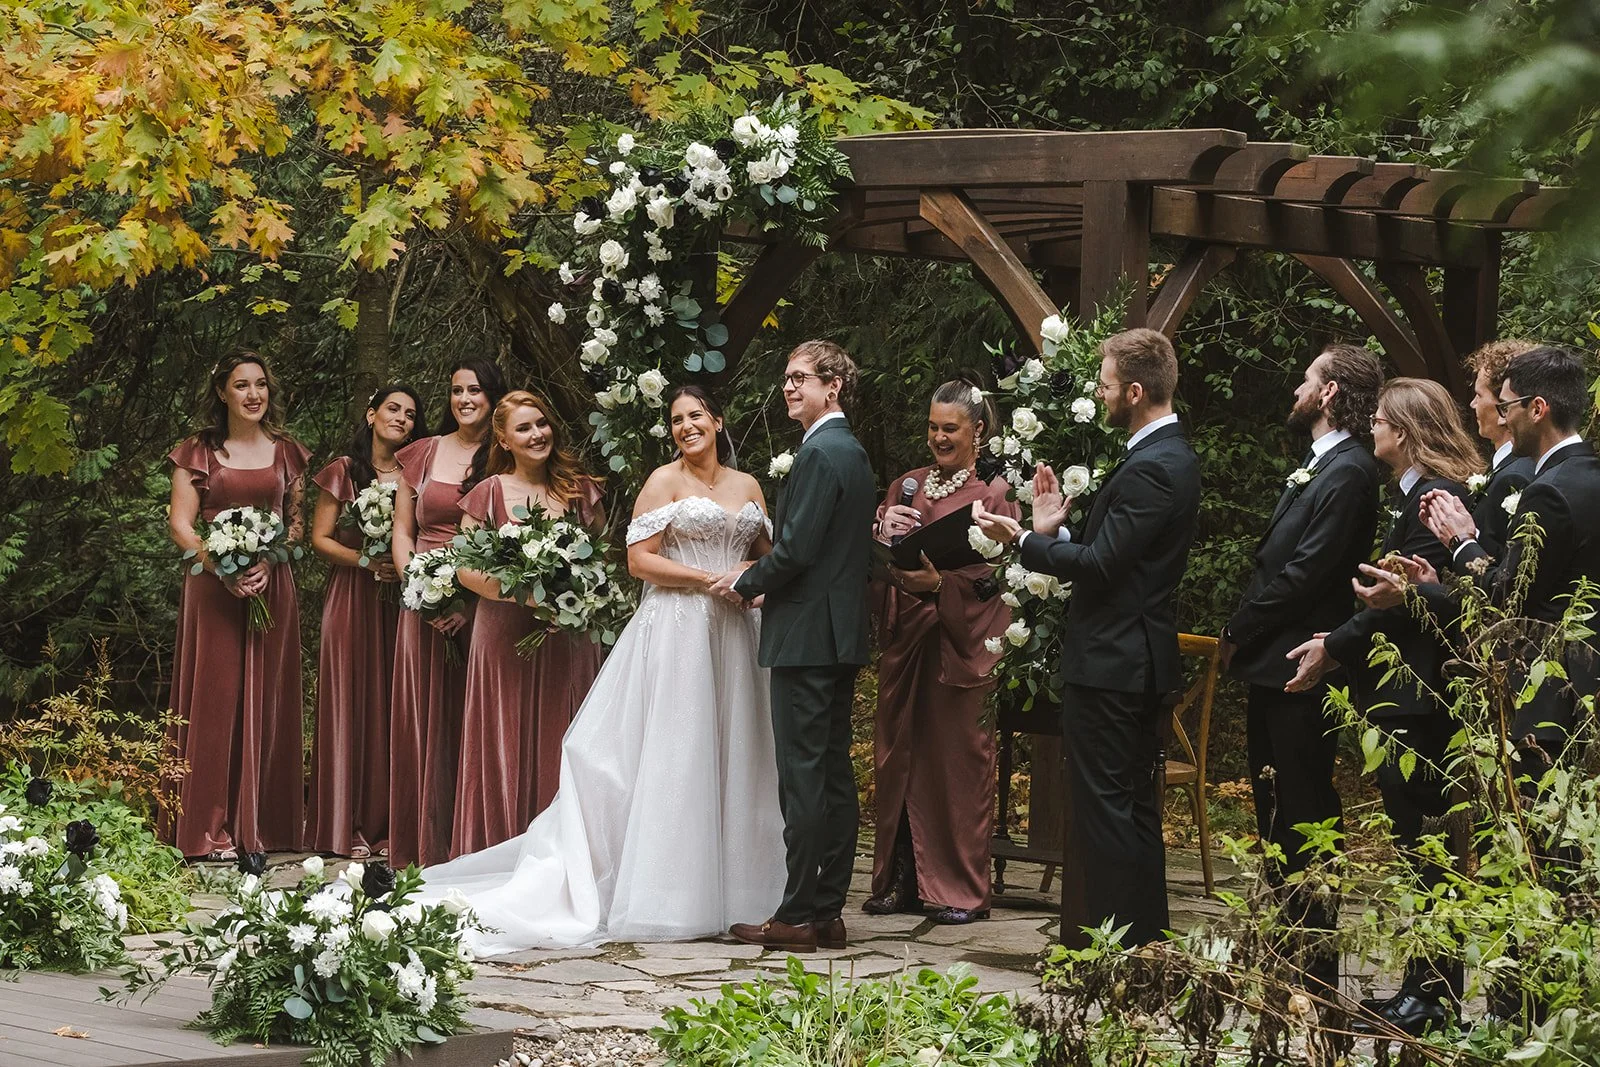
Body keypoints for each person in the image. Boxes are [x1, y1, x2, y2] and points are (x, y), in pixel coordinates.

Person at [421, 385, 786, 951]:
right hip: (681, 629)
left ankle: (739, 888)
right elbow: (639, 561)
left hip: (735, 635)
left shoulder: (749, 486)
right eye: (676, 420)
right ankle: (670, 893)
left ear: (717, 421)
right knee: (679, 750)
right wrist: (709, 579)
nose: (686, 427)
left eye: (695, 416)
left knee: (738, 750)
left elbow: (767, 558)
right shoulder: (662, 481)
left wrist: (753, 586)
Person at [973, 327, 1201, 950]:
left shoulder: (1153, 467)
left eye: (1105, 385)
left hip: (1114, 665)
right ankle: (1144, 949)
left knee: (1107, 814)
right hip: (1131, 661)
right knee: (1133, 811)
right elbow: (1116, 557)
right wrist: (1055, 533)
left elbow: (1102, 568)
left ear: (1135, 391)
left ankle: (1113, 953)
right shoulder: (1166, 456)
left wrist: (1024, 540)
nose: (1100, 395)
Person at [1285, 376, 1478, 1035]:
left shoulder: (1434, 498)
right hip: (1407, 697)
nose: (1371, 429)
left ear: (1405, 430)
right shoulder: (1416, 495)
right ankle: (1423, 989)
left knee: (1426, 847)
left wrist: (1333, 645)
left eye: (1381, 422)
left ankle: (1430, 995)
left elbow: (1397, 607)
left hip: (1420, 701)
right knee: (1416, 843)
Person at [1220, 343, 1383, 993]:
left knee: (1304, 806)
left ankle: (1313, 964)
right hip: (1276, 662)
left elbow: (1305, 572)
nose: (1296, 388)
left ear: (1330, 392)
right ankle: (1287, 950)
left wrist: (1239, 628)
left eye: (1307, 379)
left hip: (1303, 663)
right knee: (1274, 806)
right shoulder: (1323, 464)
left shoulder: (1350, 472)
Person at [712, 340, 877, 954]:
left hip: (807, 639)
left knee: (803, 778)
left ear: (833, 386)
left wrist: (745, 581)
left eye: (801, 377)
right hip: (838, 635)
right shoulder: (852, 451)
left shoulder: (820, 453)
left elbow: (798, 549)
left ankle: (798, 914)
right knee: (832, 775)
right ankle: (828, 911)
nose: (788, 385)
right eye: (786, 376)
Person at [866, 377, 1018, 925]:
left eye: (950, 428)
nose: (939, 438)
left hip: (960, 643)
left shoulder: (995, 494)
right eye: (932, 427)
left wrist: (940, 586)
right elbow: (881, 566)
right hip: (908, 643)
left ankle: (961, 889)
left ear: (978, 430)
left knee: (956, 766)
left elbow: (1002, 580)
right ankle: (901, 881)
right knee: (899, 760)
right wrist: (882, 533)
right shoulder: (905, 485)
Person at [1413, 345, 1600, 756]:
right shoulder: (1590, 474)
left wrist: (1461, 541)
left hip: (1549, 704)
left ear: (1537, 409)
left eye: (1507, 406)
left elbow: (1508, 596)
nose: (1503, 417)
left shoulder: (1549, 492)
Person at [166, 351, 311, 860]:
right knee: (215, 699)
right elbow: (180, 525)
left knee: (269, 699)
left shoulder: (288, 452)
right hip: (214, 590)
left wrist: (268, 561)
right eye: (242, 385)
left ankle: (263, 825)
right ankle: (207, 829)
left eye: (261, 384)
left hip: (272, 585)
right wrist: (220, 566)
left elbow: (296, 525)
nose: (254, 394)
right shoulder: (197, 451)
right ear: (222, 393)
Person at [450, 391, 605, 856]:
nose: (537, 434)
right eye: (524, 428)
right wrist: (526, 593)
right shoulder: (489, 492)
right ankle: (501, 848)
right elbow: (464, 568)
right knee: (506, 737)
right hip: (504, 633)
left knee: (566, 733)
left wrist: (574, 596)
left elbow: (598, 557)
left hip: (567, 633)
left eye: (541, 423)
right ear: (504, 439)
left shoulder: (579, 490)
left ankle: (567, 853)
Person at [389, 358, 506, 868]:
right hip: (422, 603)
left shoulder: (504, 453)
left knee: (473, 716)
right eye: (457, 390)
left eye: (475, 390)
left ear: (493, 396)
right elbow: (403, 531)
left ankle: (474, 841)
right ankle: (426, 844)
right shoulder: (423, 452)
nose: (464, 399)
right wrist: (418, 589)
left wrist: (470, 602)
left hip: (483, 603)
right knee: (424, 716)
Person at [305, 385, 427, 859]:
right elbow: (320, 538)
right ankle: (346, 824)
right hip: (353, 597)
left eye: (410, 415)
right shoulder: (344, 470)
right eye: (393, 409)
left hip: (401, 600)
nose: (401, 419)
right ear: (371, 414)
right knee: (352, 700)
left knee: (393, 703)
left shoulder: (417, 471)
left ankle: (392, 823)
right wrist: (364, 561)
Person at [1461, 339, 1539, 563]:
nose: (1472, 404)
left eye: (1479, 395)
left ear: (1504, 406)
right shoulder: (1505, 466)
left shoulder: (1515, 475)